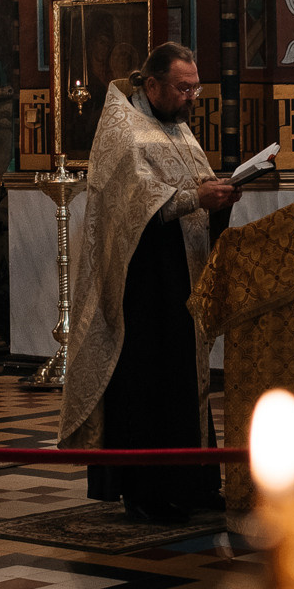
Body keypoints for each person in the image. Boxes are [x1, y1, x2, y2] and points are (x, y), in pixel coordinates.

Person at [60, 43, 239, 524]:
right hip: (141, 281)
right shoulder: (122, 129)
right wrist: (193, 197)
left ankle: (194, 481)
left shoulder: (178, 127)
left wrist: (218, 194)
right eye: (182, 88)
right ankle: (144, 488)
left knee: (187, 377)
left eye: (194, 87)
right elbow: (131, 200)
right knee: (149, 381)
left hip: (183, 273)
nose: (190, 97)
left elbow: (193, 185)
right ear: (153, 83)